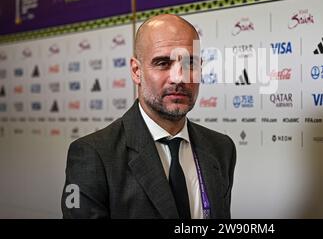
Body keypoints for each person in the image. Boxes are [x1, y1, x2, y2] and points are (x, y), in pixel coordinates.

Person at [61, 14, 236, 219]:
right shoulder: (93, 155)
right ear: (137, 71)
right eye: (163, 63)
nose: (179, 77)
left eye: (190, 63)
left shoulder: (221, 148)